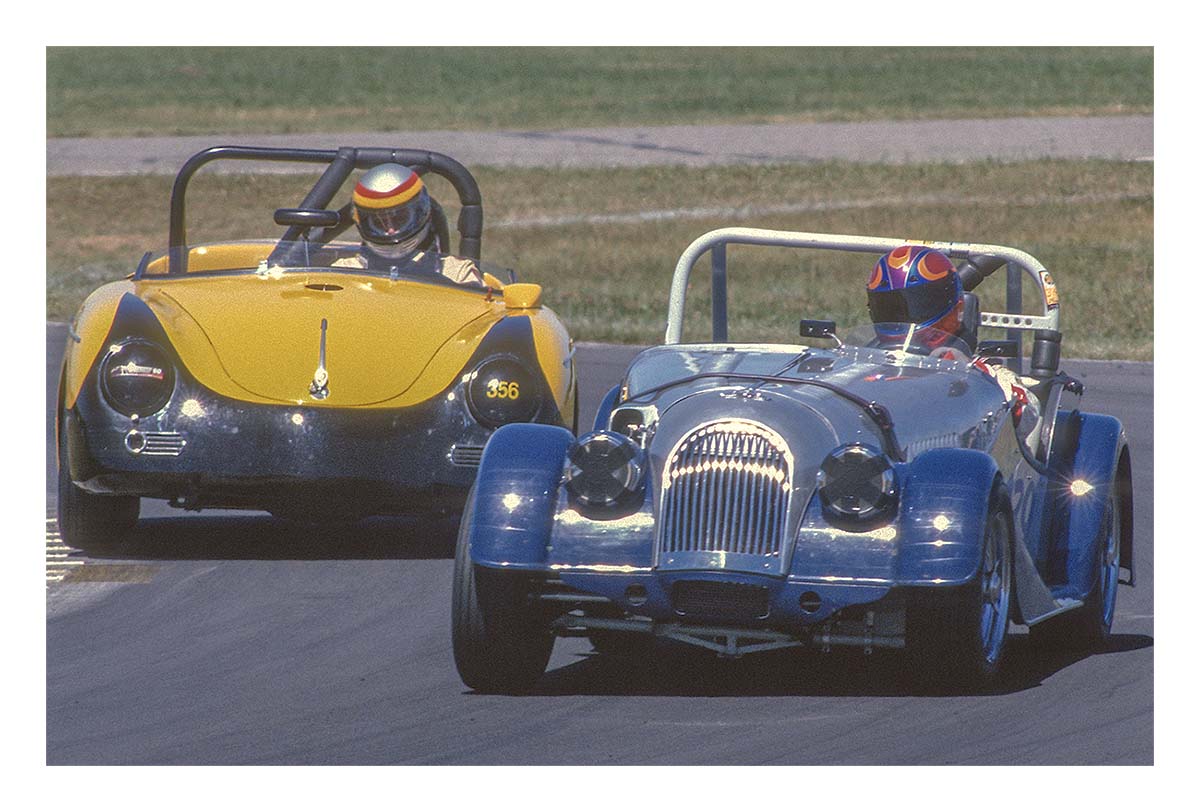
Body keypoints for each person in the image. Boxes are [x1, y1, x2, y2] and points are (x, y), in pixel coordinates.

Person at [867, 245, 1042, 448]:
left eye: (919, 305)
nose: (903, 318)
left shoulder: (980, 374)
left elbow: (1028, 414)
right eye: (890, 308)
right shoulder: (862, 369)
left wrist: (971, 377)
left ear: (957, 307)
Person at [333, 163, 483, 286]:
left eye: (400, 219)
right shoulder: (345, 271)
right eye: (379, 223)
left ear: (419, 214)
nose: (391, 230)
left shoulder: (457, 273)